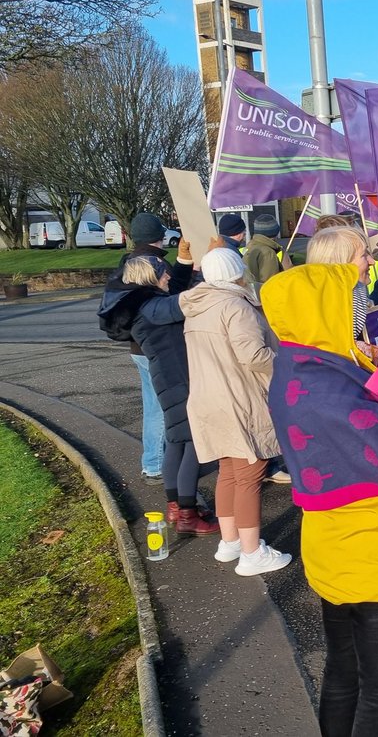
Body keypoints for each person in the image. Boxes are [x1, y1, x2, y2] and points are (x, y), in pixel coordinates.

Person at [261, 243, 378, 737]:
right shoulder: (330, 390)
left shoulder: (304, 367)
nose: (358, 315)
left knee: (344, 674)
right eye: (348, 306)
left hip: (333, 547)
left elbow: (362, 424)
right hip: (377, 551)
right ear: (323, 313)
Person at [179, 247, 290, 576]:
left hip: (207, 399)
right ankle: (252, 552)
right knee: (250, 475)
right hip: (237, 399)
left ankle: (229, 542)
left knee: (228, 471)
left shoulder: (198, 306)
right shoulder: (235, 306)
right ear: (237, 273)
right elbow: (254, 355)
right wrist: (287, 363)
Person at [122, 248, 220, 536]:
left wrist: (187, 264)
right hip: (180, 381)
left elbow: (176, 292)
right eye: (162, 271)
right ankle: (188, 514)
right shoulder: (155, 308)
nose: (167, 274)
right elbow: (186, 300)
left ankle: (177, 506)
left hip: (168, 379)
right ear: (150, 277)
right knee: (193, 444)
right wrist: (213, 278)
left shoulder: (146, 305)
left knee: (177, 442)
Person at [97, 212, 174, 482]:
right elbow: (171, 300)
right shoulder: (154, 264)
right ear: (159, 236)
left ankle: (157, 459)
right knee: (160, 408)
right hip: (154, 348)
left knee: (152, 404)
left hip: (137, 347)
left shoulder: (127, 263)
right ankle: (155, 465)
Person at [242, 214, 291, 296]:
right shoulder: (268, 252)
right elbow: (269, 284)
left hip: (251, 296)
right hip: (264, 300)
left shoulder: (250, 246)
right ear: (275, 231)